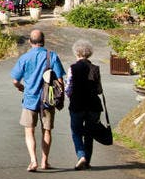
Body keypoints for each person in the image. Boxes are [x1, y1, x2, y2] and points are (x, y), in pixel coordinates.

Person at [10, 29, 65, 171]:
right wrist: (61, 96)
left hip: (30, 99)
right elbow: (60, 80)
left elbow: (15, 80)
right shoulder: (51, 56)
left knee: (29, 131)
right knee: (47, 131)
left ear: (30, 42)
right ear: (44, 41)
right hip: (48, 99)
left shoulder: (24, 58)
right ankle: (44, 162)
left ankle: (33, 161)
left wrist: (21, 87)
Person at [66, 38, 103, 170]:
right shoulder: (95, 68)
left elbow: (68, 88)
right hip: (93, 105)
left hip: (77, 104)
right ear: (89, 53)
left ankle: (81, 155)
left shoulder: (73, 68)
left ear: (76, 53)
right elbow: (99, 90)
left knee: (76, 131)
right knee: (89, 133)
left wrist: (70, 96)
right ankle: (87, 160)